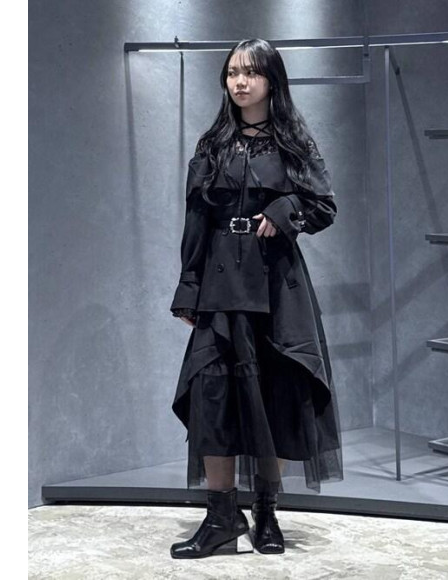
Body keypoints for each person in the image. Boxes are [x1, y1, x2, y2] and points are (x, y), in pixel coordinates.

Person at [169, 38, 344, 559]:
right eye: (232, 73)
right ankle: (221, 517)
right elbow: (196, 218)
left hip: (277, 285)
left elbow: (324, 205)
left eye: (250, 73)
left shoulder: (294, 142)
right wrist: (189, 287)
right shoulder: (213, 144)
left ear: (272, 80)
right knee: (212, 396)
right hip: (222, 282)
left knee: (278, 392)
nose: (240, 82)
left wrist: (286, 207)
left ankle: (267, 512)